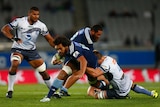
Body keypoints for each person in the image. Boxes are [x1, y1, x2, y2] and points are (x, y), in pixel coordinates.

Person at [1, 7, 55, 98]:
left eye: (38, 14)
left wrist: (57, 47)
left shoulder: (41, 25)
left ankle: (53, 92)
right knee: (15, 63)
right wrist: (13, 38)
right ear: (29, 14)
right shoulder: (20, 21)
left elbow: (49, 39)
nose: (36, 16)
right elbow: (4, 29)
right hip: (18, 49)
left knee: (43, 71)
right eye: (34, 14)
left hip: (31, 51)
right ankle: (10, 90)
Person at [51, 25, 106, 96]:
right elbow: (87, 52)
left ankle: (60, 90)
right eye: (98, 34)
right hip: (73, 54)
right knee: (67, 72)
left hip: (74, 53)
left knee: (68, 73)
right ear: (92, 32)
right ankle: (61, 90)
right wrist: (82, 71)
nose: (99, 37)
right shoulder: (87, 39)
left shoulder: (85, 32)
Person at [40, 36, 98, 102]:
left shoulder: (74, 50)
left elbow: (83, 61)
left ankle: (104, 88)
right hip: (77, 61)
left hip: (91, 64)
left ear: (66, 46)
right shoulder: (66, 48)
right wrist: (54, 61)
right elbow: (57, 56)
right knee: (63, 72)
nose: (59, 51)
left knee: (94, 81)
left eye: (60, 48)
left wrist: (81, 72)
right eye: (57, 49)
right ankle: (49, 96)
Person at [87, 50, 159, 99]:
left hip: (119, 91)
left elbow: (95, 74)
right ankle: (151, 93)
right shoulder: (107, 58)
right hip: (125, 80)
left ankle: (122, 95)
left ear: (97, 60)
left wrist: (85, 68)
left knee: (92, 92)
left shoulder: (105, 65)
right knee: (132, 85)